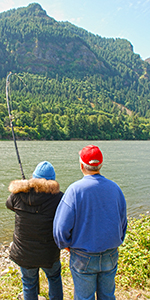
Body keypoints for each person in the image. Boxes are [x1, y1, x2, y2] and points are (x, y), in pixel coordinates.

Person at [53, 145, 127, 300]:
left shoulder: (74, 190)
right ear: (101, 164)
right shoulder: (115, 189)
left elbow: (60, 228)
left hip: (82, 255)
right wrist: (117, 241)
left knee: (84, 297)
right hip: (110, 253)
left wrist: (66, 245)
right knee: (107, 296)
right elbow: (122, 222)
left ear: (81, 166)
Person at [6, 161, 63, 300]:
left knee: (29, 283)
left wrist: (24, 188)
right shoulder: (58, 198)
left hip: (24, 252)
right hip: (48, 252)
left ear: (34, 178)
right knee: (54, 278)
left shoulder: (18, 195)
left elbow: (9, 205)